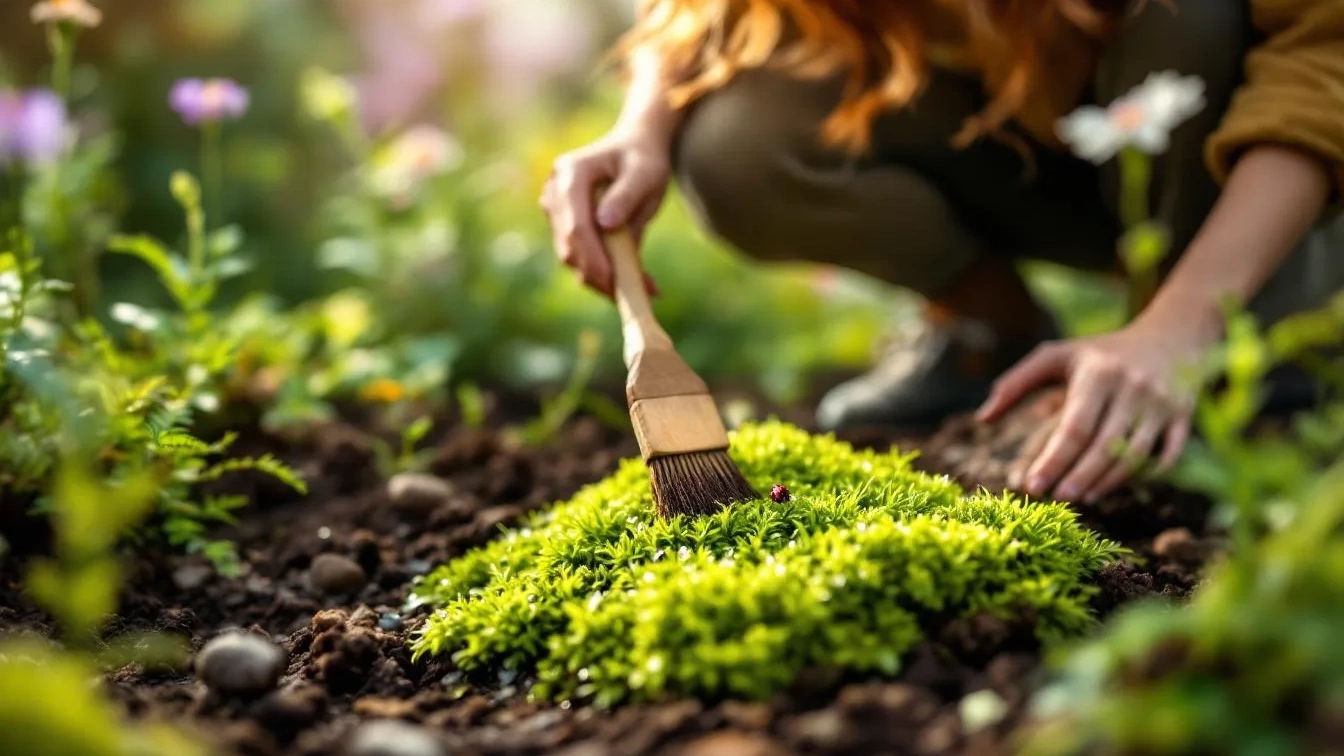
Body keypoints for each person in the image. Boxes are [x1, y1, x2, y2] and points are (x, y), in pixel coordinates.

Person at [539, 0, 1344, 504]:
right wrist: (640, 128)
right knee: (739, 144)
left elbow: (1323, 61)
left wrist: (1177, 328)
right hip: (1039, 128)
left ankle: (1229, 360)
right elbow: (702, 13)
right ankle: (992, 334)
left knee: (1193, 12)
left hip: (1253, 167)